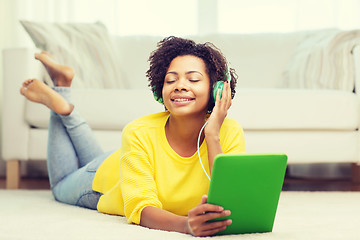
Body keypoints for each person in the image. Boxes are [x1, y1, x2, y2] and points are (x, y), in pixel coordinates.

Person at [20, 36, 246, 237]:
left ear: (218, 89)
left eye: (193, 79)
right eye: (171, 80)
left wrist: (212, 135)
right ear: (160, 89)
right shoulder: (138, 131)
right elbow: (141, 207)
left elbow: (231, 200)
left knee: (92, 158)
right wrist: (186, 225)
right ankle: (62, 102)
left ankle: (62, 86)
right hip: (105, 180)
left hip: (127, 162)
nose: (180, 86)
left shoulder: (228, 131)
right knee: (60, 187)